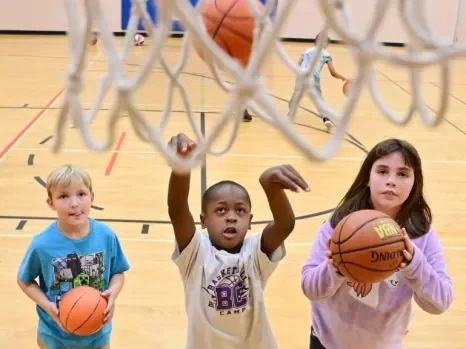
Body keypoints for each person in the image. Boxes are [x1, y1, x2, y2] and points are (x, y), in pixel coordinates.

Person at [301, 138, 453, 349]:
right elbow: (310, 288)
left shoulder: (422, 236)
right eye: (382, 171)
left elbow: (441, 302)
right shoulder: (339, 226)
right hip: (327, 341)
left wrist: (414, 265)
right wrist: (334, 269)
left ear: (415, 183)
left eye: (402, 174)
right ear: (367, 178)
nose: (391, 181)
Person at [167, 132, 310, 348]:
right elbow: (177, 210)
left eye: (240, 211)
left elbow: (284, 224)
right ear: (203, 221)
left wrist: (270, 187)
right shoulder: (195, 254)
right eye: (221, 210)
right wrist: (181, 167)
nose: (231, 216)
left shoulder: (255, 253)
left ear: (250, 220)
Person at [17, 165, 130, 349]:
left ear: (91, 197)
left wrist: (113, 293)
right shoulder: (42, 244)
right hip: (54, 335)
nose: (74, 203)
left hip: (97, 334)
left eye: (81, 194)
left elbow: (118, 272)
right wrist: (47, 305)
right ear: (50, 203)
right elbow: (25, 280)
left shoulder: (106, 236)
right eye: (63, 196)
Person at [288, 33, 347, 131]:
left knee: (295, 97)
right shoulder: (326, 54)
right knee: (319, 100)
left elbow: (297, 65)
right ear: (326, 43)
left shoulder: (306, 51)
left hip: (301, 76)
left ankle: (290, 116)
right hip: (313, 77)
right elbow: (333, 72)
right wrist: (342, 77)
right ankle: (326, 118)